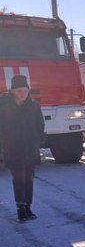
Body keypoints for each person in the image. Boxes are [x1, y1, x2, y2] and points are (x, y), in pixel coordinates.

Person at [0, 75, 45, 221]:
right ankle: (20, 209)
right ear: (12, 90)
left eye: (25, 91)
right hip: (12, 149)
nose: (23, 94)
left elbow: (40, 125)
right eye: (19, 91)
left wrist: (39, 140)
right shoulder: (3, 105)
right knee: (19, 178)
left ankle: (28, 208)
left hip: (30, 148)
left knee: (29, 178)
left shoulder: (33, 106)